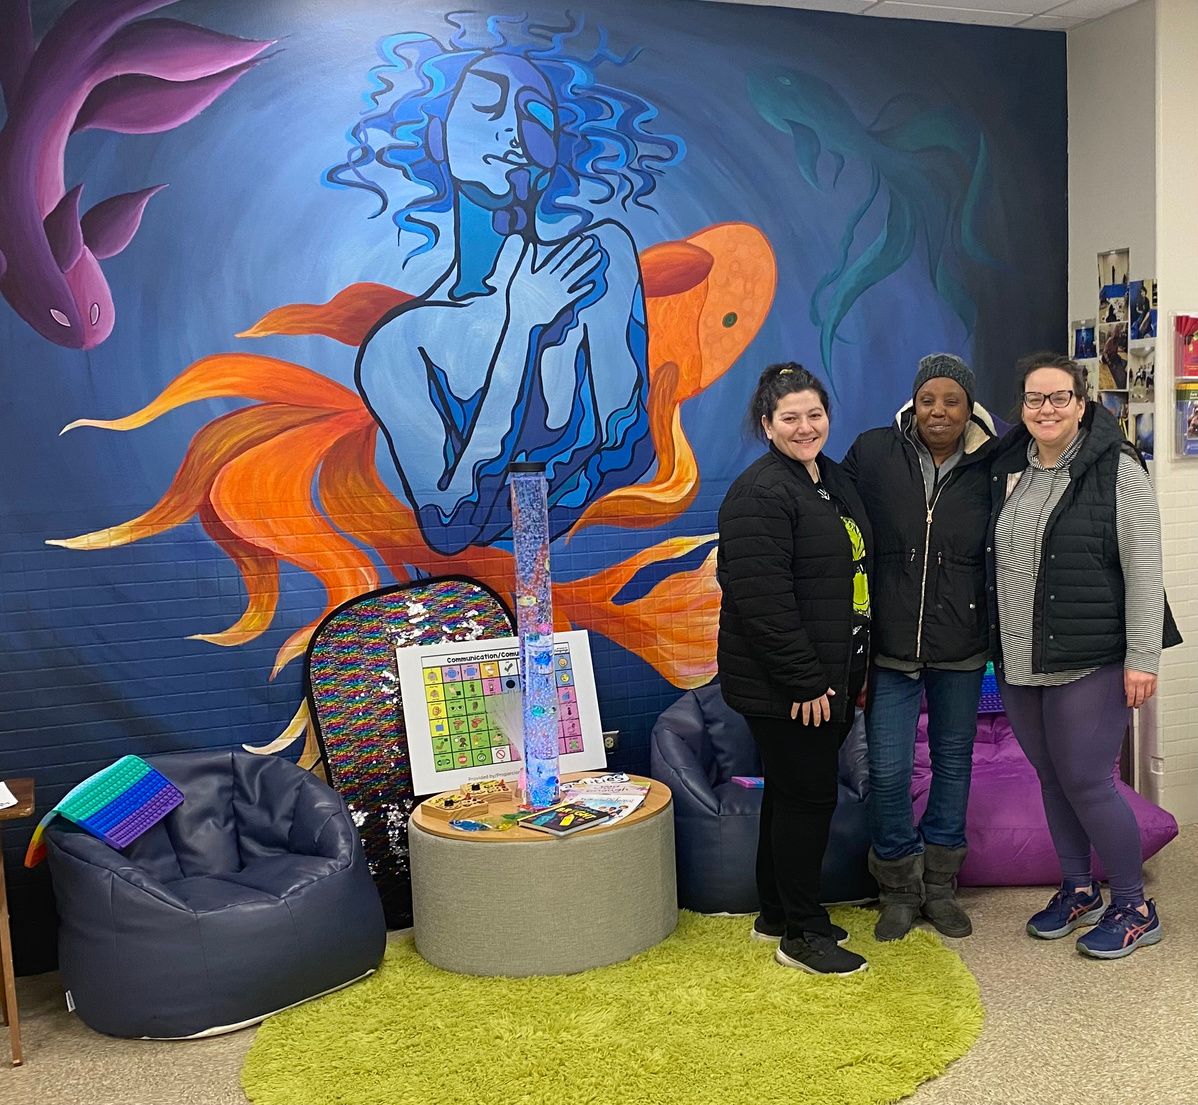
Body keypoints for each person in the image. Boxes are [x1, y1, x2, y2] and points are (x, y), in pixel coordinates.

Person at [986, 352, 1181, 959]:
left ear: (1081, 402)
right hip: (1019, 657)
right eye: (1034, 399)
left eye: (1059, 398)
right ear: (1021, 405)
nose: (1046, 410)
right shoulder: (1008, 464)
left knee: (1088, 781)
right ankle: (1077, 889)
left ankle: (1133, 904)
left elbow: (1144, 568)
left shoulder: (1115, 467)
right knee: (1051, 778)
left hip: (1090, 655)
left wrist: (1143, 656)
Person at [717, 363, 872, 976]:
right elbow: (762, 600)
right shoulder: (761, 493)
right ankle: (803, 937)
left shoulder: (828, 479)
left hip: (831, 674)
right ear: (767, 425)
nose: (805, 427)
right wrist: (805, 682)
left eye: (814, 414)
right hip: (792, 685)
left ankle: (777, 912)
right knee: (808, 799)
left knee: (789, 796)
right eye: (790, 418)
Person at [841, 354, 997, 941]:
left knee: (955, 763)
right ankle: (898, 889)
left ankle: (940, 887)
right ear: (914, 402)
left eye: (951, 400)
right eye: (928, 398)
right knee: (888, 768)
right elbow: (843, 528)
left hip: (961, 641)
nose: (939, 410)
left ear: (968, 408)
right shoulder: (875, 451)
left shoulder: (993, 462)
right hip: (889, 643)